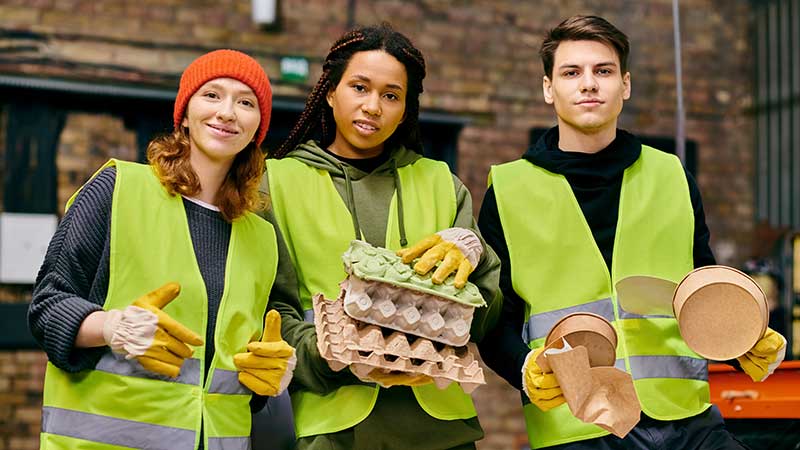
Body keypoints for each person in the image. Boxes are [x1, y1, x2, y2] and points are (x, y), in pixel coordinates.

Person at [477, 15, 786, 450]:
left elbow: (702, 287)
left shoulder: (671, 175)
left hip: (687, 420)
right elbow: (493, 320)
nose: (589, 84)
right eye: (571, 72)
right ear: (549, 88)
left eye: (602, 71)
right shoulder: (509, 191)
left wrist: (741, 341)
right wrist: (525, 368)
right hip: (578, 424)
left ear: (625, 85)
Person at [29, 49, 296, 450]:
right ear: (184, 114)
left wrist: (272, 376)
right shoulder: (117, 190)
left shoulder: (261, 237)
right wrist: (111, 327)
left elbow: (227, 369)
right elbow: (47, 307)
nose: (227, 112)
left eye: (246, 103)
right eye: (212, 95)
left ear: (258, 127)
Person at [261, 23, 502, 450]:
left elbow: (483, 315)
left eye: (391, 95)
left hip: (440, 429)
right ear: (331, 91)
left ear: (406, 108)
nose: (373, 106)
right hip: (333, 426)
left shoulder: (440, 183)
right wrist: (333, 354)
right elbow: (271, 311)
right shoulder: (278, 182)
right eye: (359, 87)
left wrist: (476, 253)